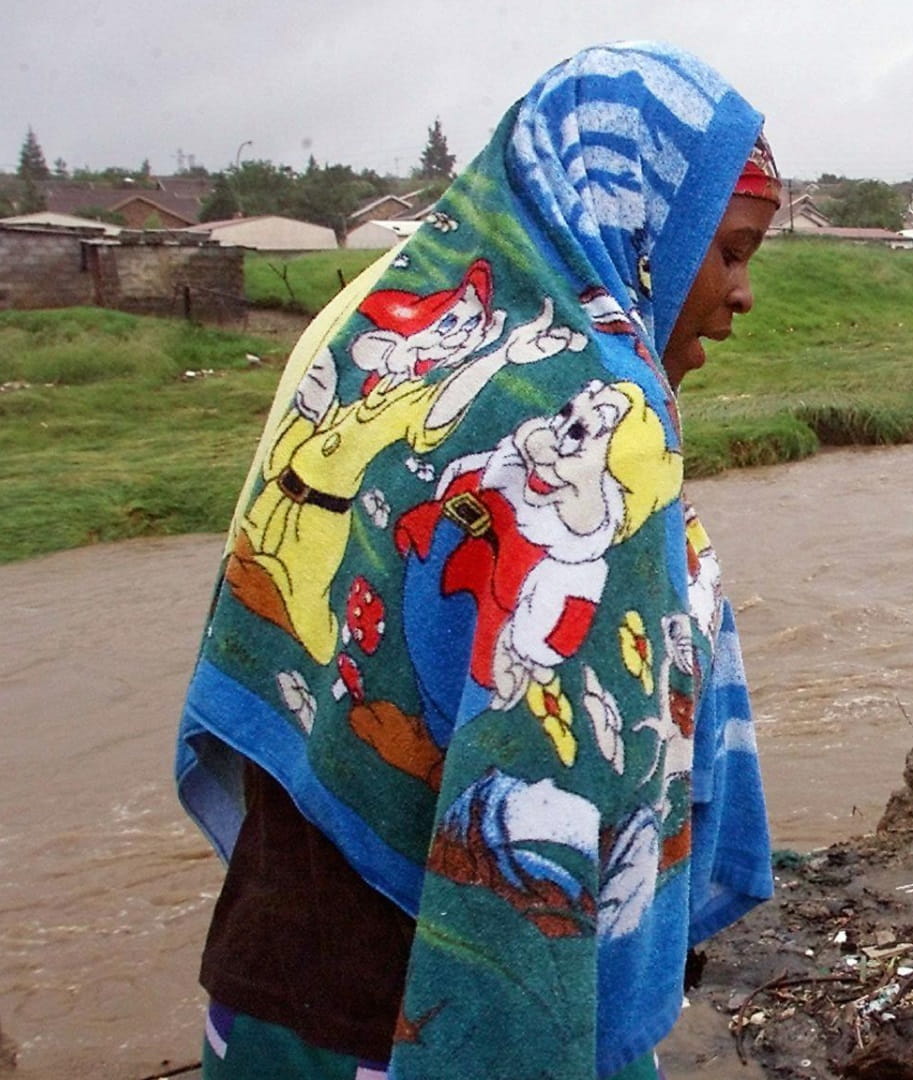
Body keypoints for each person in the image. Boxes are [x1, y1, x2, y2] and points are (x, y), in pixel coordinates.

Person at [175, 43, 782, 1079]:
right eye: (727, 252)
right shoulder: (603, 412)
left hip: (268, 976)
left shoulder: (361, 326)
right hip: (436, 1017)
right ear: (646, 225)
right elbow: (548, 787)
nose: (742, 293)